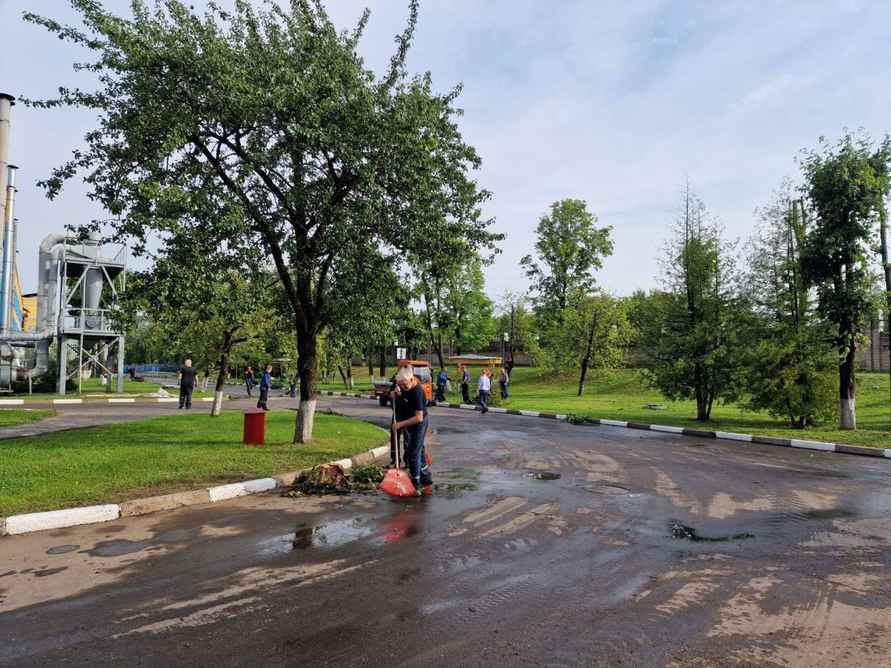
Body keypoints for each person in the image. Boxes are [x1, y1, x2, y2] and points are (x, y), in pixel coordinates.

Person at [390, 365, 432, 496]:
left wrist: (400, 424)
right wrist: (393, 394)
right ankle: (426, 478)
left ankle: (415, 484)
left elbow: (419, 418)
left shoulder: (417, 391)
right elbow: (395, 399)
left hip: (419, 423)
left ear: (412, 379)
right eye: (400, 384)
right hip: (408, 421)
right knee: (418, 450)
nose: (403, 387)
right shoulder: (401, 387)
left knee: (413, 452)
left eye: (405, 384)